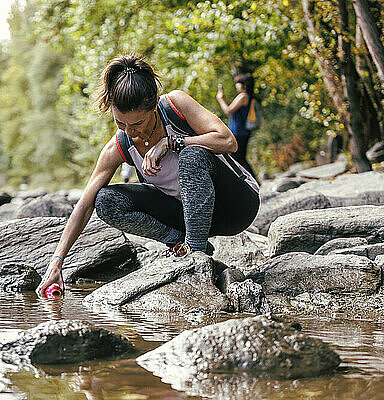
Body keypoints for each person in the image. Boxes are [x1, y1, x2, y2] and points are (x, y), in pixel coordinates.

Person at [35, 55, 260, 297]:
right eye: (121, 124)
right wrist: (57, 262)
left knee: (191, 156)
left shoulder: (175, 105)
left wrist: (172, 142)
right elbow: (85, 204)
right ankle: (181, 243)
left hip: (236, 205)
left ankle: (196, 257)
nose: (131, 132)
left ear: (153, 107)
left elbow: (228, 141)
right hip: (186, 215)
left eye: (137, 123)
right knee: (105, 200)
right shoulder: (120, 145)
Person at [216, 73, 257, 180]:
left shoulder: (243, 96)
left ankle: (252, 182)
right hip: (243, 131)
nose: (236, 85)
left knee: (237, 158)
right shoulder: (248, 96)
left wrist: (220, 99)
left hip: (239, 132)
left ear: (244, 84)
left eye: (238, 83)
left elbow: (228, 110)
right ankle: (253, 181)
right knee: (240, 158)